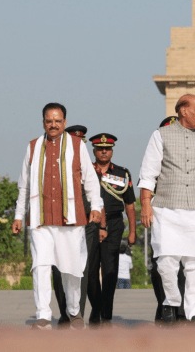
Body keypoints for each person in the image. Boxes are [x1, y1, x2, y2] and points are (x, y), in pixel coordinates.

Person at [12, 103, 103, 330]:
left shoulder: (76, 145)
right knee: (41, 266)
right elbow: (24, 185)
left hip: (70, 219)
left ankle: (74, 312)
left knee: (71, 268)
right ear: (43, 122)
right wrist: (18, 216)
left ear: (64, 122)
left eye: (58, 120)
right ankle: (43, 316)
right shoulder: (33, 147)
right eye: (49, 120)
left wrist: (96, 206)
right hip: (40, 219)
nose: (53, 124)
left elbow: (90, 179)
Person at [139, 94, 195, 325]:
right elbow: (148, 174)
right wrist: (145, 206)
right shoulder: (160, 136)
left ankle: (191, 314)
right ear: (183, 111)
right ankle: (171, 303)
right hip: (167, 209)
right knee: (166, 260)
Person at [86, 133, 137, 326]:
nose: (104, 152)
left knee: (110, 271)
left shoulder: (122, 173)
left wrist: (132, 231)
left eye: (107, 149)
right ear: (94, 151)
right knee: (90, 271)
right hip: (90, 223)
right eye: (100, 149)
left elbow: (130, 204)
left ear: (112, 150)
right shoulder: (86, 170)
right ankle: (96, 308)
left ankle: (105, 315)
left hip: (115, 224)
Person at [51, 124, 99, 327]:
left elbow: (94, 190)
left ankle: (77, 314)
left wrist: (101, 223)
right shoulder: (53, 161)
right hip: (58, 220)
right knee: (58, 266)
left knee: (82, 266)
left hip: (84, 219)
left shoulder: (84, 159)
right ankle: (64, 313)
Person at [149, 116, 186, 324]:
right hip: (162, 219)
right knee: (160, 267)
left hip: (186, 219)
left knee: (183, 267)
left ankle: (180, 311)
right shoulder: (154, 159)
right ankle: (164, 306)